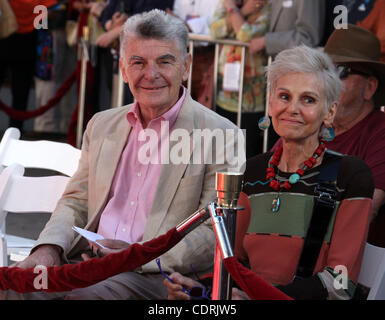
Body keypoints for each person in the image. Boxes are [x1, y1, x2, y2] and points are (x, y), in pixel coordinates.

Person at [0, 9, 245, 300]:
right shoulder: (102, 124)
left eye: (165, 62)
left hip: (157, 275)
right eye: (138, 62)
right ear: (123, 69)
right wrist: (48, 250)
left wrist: (136, 256)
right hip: (85, 263)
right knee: (12, 288)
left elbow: (211, 231)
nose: (150, 74)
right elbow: (76, 201)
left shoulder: (222, 135)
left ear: (186, 66)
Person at [164, 45, 374, 300]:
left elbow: (339, 285)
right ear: (270, 103)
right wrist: (199, 287)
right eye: (284, 96)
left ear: (329, 112)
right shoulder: (252, 172)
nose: (293, 108)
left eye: (308, 99)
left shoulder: (349, 175)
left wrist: (257, 297)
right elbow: (235, 263)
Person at [322, 25, 385, 247]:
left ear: (369, 87)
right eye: (323, 70)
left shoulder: (380, 134)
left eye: (340, 72)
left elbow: (366, 212)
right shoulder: (308, 123)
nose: (326, 81)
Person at [210, 0, 271, 158]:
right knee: (222, 153)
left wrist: (232, 12)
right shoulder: (228, 3)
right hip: (224, 93)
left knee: (247, 152)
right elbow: (214, 31)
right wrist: (239, 11)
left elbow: (246, 35)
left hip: (251, 98)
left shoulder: (264, 4)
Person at [167, 0, 220, 109]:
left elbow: (216, 24)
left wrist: (186, 26)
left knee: (203, 109)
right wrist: (184, 26)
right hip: (181, 54)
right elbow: (171, 17)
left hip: (208, 57)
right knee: (177, 107)